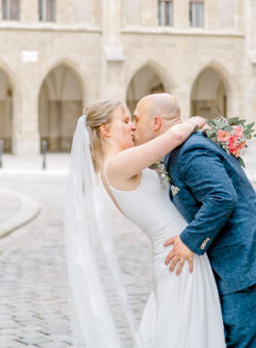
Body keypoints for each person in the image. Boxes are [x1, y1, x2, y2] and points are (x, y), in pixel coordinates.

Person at [133, 93, 256, 348]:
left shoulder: (189, 151)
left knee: (245, 343)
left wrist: (190, 241)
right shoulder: (179, 151)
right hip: (237, 262)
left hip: (250, 261)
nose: (132, 124)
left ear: (155, 123)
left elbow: (221, 197)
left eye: (136, 118)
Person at [65, 99, 225, 347]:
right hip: (178, 256)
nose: (131, 127)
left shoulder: (125, 163)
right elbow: (172, 139)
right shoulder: (116, 166)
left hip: (181, 252)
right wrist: (195, 121)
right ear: (105, 130)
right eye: (125, 120)